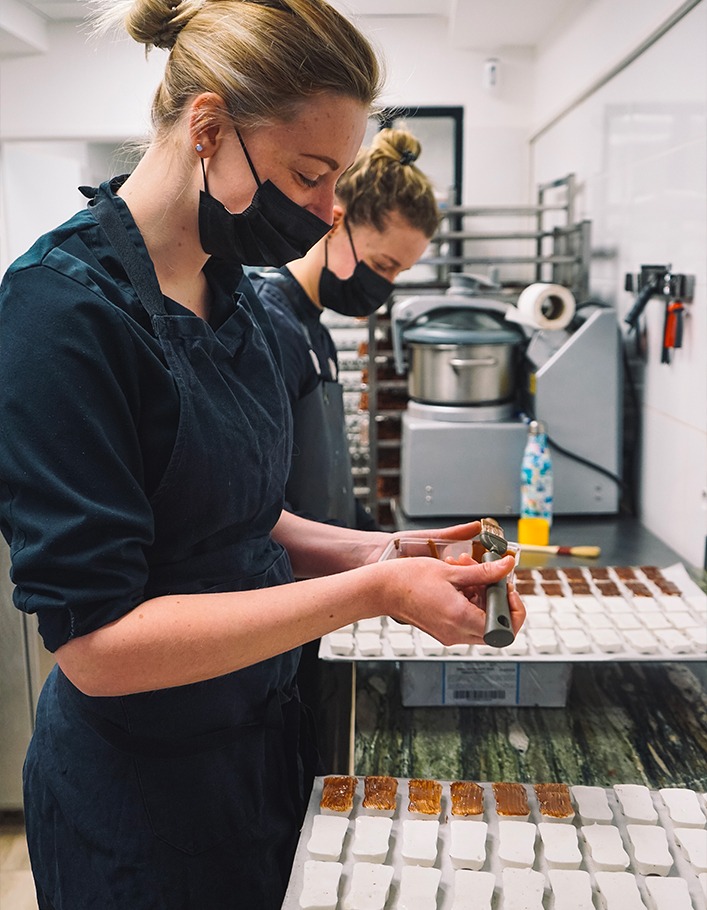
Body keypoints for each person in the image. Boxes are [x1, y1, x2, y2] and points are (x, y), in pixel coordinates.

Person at [0, 1, 525, 908]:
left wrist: (379, 552)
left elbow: (238, 514)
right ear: (208, 127)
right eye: (309, 175)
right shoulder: (62, 316)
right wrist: (368, 594)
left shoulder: (231, 293)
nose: (328, 212)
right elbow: (98, 649)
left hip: (257, 745)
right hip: (141, 797)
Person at [248, 128, 440, 755]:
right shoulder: (266, 325)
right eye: (383, 265)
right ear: (336, 222)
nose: (383, 288)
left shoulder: (314, 328)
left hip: (324, 587)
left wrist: (397, 551)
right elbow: (259, 509)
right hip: (285, 602)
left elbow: (325, 481)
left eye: (398, 274)